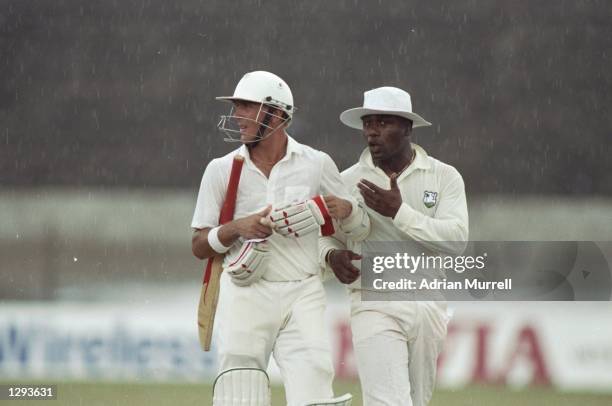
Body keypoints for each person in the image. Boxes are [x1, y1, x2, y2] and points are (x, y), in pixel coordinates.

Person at [191, 71, 369, 406]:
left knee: (315, 382)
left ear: (277, 115)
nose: (237, 117)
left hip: (303, 290)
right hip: (245, 292)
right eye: (237, 107)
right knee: (239, 391)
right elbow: (199, 246)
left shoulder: (316, 164)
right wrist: (235, 228)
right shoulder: (221, 169)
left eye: (247, 107)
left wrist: (346, 209)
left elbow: (355, 224)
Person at [320, 87, 468, 406]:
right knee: (388, 402)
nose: (372, 132)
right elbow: (325, 238)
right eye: (368, 123)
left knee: (415, 401)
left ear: (407, 128)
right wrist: (331, 255)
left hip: (429, 302)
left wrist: (399, 213)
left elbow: (456, 240)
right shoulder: (347, 181)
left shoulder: (444, 177)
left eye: (383, 123)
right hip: (373, 300)